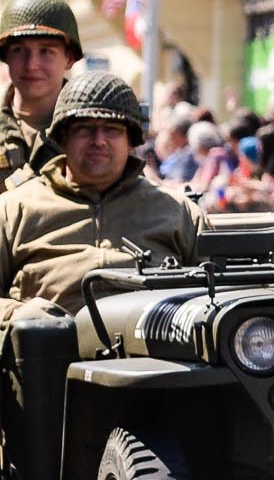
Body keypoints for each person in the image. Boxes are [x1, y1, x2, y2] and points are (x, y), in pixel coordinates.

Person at [0, 72, 200, 320]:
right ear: (62, 138)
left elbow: (223, 293)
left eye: (112, 129)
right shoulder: (13, 210)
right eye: (84, 129)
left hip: (155, 353)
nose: (99, 141)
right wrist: (16, 315)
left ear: (131, 141)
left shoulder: (178, 211)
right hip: (45, 354)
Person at [0, 0, 83, 187]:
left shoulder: (93, 129)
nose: (31, 65)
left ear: (69, 58)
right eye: (19, 50)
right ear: (5, 57)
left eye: (46, 51)